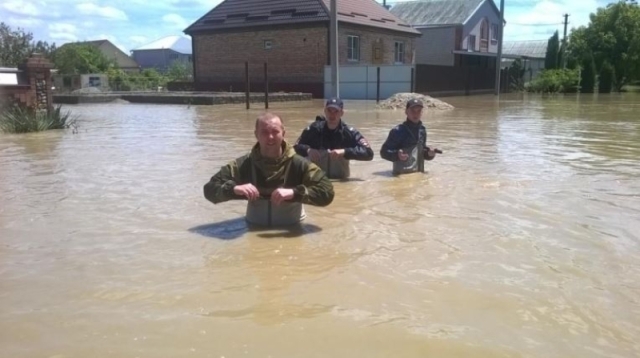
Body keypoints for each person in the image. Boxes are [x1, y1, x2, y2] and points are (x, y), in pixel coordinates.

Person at [203, 112, 334, 227]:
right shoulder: (243, 165)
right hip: (253, 229)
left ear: (283, 133)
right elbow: (209, 189)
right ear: (256, 135)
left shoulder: (299, 164)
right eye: (264, 132)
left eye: (275, 132)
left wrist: (294, 193)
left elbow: (327, 192)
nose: (270, 137)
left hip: (292, 230)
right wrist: (233, 189)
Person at [293, 97, 374, 179]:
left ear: (342, 113)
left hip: (341, 182)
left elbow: (368, 153)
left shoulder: (348, 133)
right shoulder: (314, 130)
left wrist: (345, 151)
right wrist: (308, 150)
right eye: (329, 111)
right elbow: (295, 148)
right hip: (317, 181)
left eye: (336, 111)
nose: (332, 115)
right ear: (325, 111)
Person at [380, 98, 440, 175]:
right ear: (406, 112)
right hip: (401, 178)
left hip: (418, 176)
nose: (416, 114)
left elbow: (422, 153)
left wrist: (429, 154)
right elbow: (383, 152)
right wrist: (397, 155)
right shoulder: (397, 131)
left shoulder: (422, 130)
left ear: (422, 113)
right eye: (413, 110)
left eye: (419, 111)